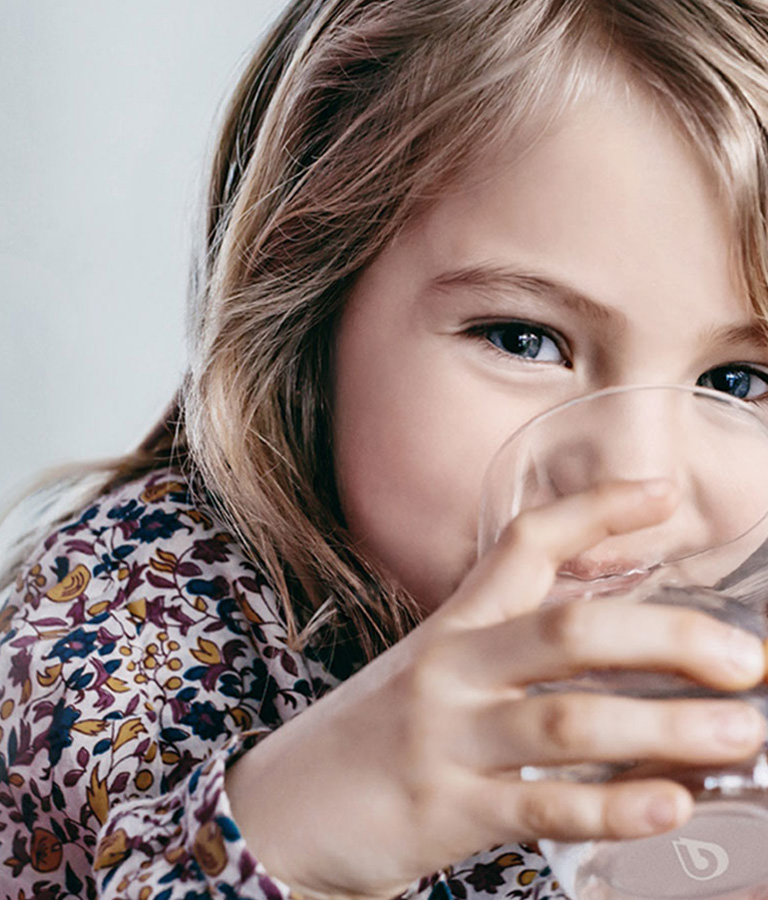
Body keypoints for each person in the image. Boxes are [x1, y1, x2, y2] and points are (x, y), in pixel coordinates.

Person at [3, 0, 768, 898]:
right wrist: (298, 842)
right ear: (310, 314)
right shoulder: (131, 624)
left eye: (737, 382)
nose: (640, 475)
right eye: (522, 338)